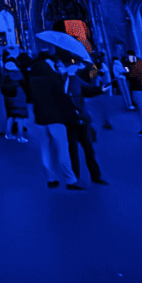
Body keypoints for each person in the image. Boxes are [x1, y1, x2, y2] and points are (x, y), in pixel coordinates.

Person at [28, 51, 83, 189]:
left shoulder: (33, 79)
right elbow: (62, 99)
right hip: (56, 117)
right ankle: (70, 179)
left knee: (45, 149)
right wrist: (74, 116)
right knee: (62, 149)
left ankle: (51, 178)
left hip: (40, 117)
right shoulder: (52, 78)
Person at [61, 60, 108, 185]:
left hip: (82, 118)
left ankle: (96, 175)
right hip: (70, 120)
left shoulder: (75, 80)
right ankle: (74, 177)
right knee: (73, 151)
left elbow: (87, 89)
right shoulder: (60, 81)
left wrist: (99, 89)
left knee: (89, 149)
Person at [1, 60, 29, 141]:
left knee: (10, 116)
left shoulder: (5, 76)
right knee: (20, 117)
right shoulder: (18, 74)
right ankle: (20, 136)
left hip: (8, 98)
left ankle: (8, 134)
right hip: (19, 97)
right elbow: (25, 85)